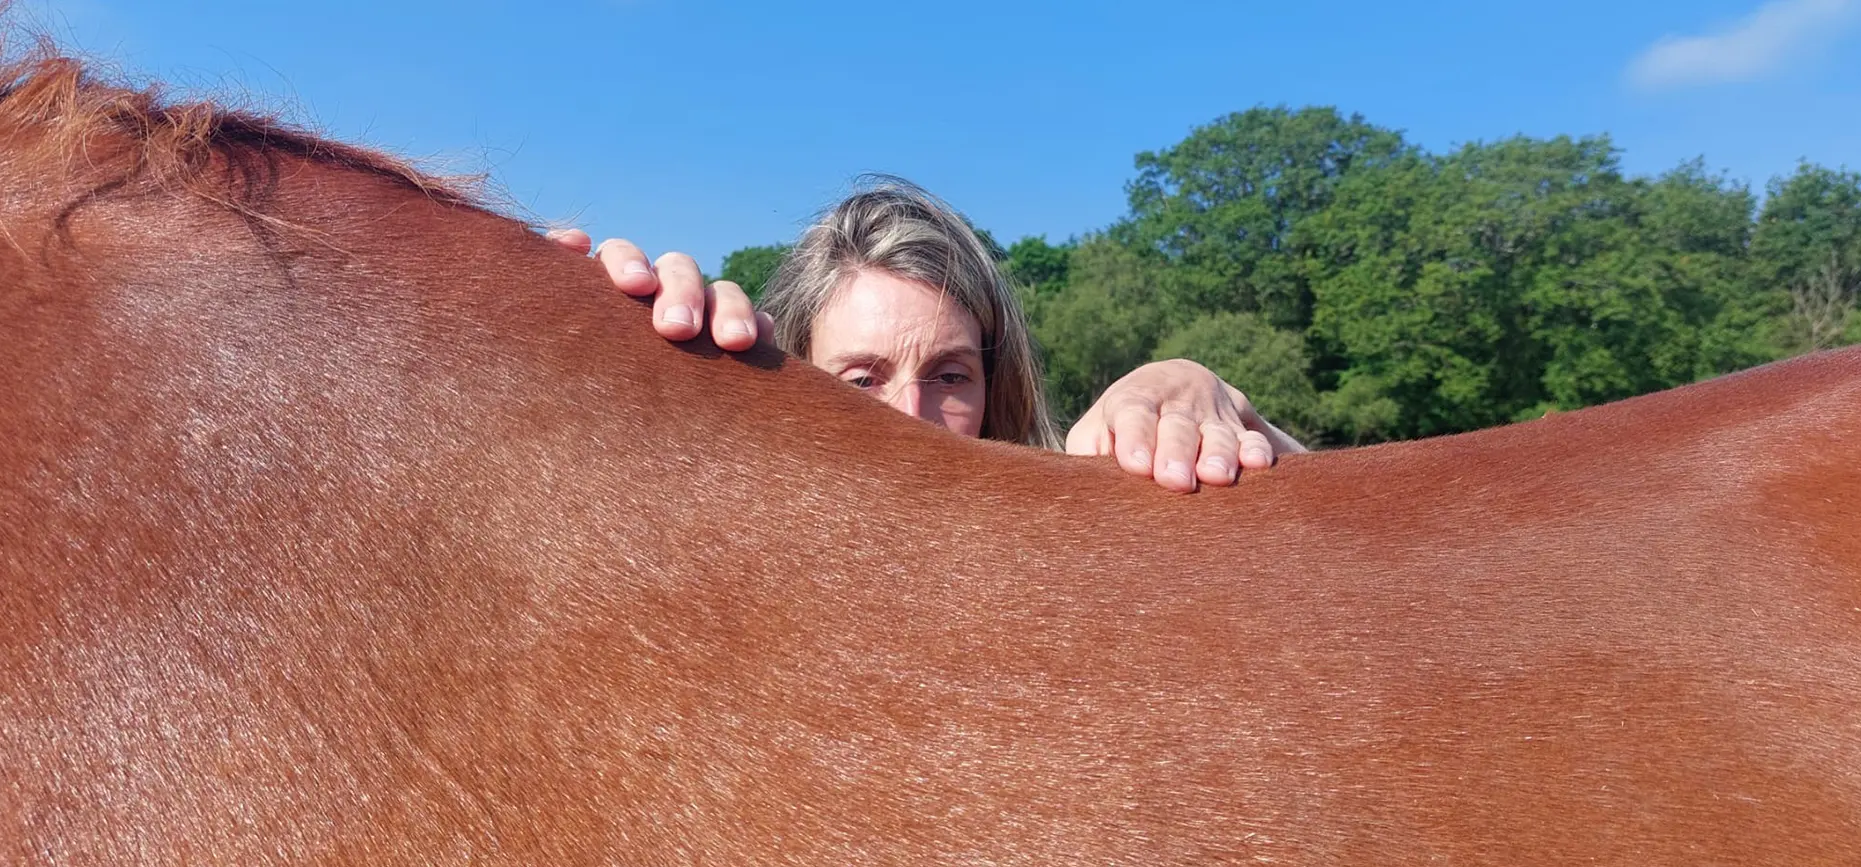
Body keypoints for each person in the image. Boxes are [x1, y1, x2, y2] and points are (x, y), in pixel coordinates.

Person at [548, 177, 1305, 492]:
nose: (910, 420)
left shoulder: (1058, 537)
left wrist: (1208, 397)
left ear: (992, 385)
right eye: (861, 379)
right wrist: (600, 341)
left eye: (949, 375)